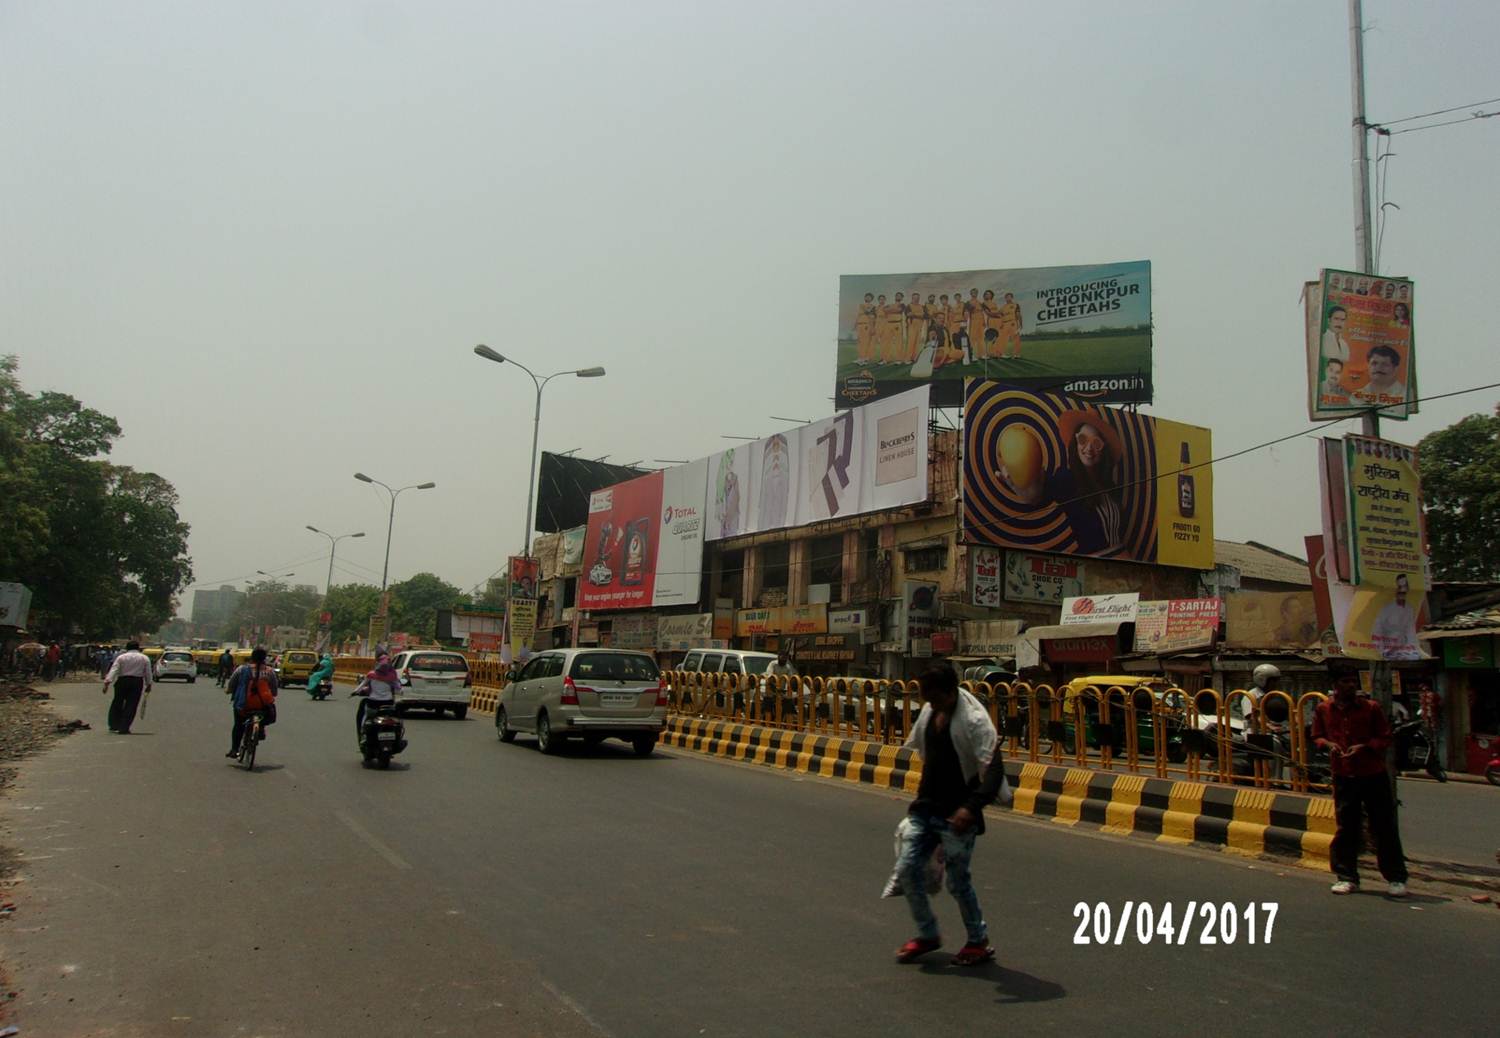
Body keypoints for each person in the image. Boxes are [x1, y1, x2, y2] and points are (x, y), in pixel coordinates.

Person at [893, 664, 1007, 965]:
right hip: (926, 808)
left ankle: (978, 941)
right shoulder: (930, 714)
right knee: (906, 870)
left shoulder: (974, 721)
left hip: (958, 814)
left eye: (933, 697)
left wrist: (970, 808)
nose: (928, 703)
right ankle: (928, 933)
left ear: (949, 691)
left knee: (958, 882)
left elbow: (993, 772)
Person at [1312, 662, 1407, 897]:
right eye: (1346, 682)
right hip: (1343, 774)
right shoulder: (1324, 709)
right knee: (1347, 827)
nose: (1351, 686)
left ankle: (1396, 877)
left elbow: (1384, 737)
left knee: (1383, 826)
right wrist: (1328, 745)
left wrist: (1365, 747)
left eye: (1353, 682)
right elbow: (1317, 736)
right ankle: (1346, 876)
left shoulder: (1371, 708)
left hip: (1372, 773)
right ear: (1335, 685)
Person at [226, 647, 278, 756]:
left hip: (243, 706)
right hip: (262, 706)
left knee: (238, 725)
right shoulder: (269, 671)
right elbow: (274, 691)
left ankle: (234, 749)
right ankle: (261, 727)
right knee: (266, 713)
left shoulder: (242, 669)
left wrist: (229, 691)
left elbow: (231, 684)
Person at [101, 640, 153, 734]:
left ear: (127, 648)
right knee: (131, 705)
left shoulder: (121, 657)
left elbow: (114, 670)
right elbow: (148, 672)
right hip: (137, 682)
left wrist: (107, 683)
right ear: (138, 648)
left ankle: (114, 725)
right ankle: (124, 727)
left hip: (122, 681)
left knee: (117, 702)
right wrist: (149, 684)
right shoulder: (144, 658)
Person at [1371, 574, 1421, 660]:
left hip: (1404, 649)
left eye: (1405, 586)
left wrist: (1412, 649)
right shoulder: (1387, 609)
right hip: (1387, 649)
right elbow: (1377, 630)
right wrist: (1381, 651)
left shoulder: (1409, 609)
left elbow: (1410, 631)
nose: (1402, 590)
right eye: (1400, 587)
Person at [354, 652, 402, 733]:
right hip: (388, 703)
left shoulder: (371, 675)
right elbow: (399, 689)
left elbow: (360, 686)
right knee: (398, 719)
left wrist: (355, 692)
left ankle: (362, 730)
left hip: (373, 703)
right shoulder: (392, 676)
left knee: (366, 715)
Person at [996, 292, 1023, 358]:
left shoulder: (1016, 305)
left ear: (1012, 297)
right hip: (1005, 324)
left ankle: (1016, 354)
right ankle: (1000, 353)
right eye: (1006, 297)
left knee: (1016, 338)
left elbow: (1018, 315)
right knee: (1002, 339)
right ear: (1005, 298)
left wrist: (1021, 324)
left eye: (1009, 297)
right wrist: (1001, 323)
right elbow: (999, 315)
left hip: (1013, 323)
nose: (1008, 298)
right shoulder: (1003, 307)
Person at [854, 292, 878, 362]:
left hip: (866, 325)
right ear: (864, 298)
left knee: (865, 342)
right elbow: (859, 315)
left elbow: (873, 316)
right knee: (860, 342)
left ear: (871, 299)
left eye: (869, 297)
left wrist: (873, 327)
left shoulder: (873, 307)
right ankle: (861, 357)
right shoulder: (861, 305)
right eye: (866, 296)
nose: (867, 298)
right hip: (860, 324)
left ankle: (863, 358)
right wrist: (855, 325)